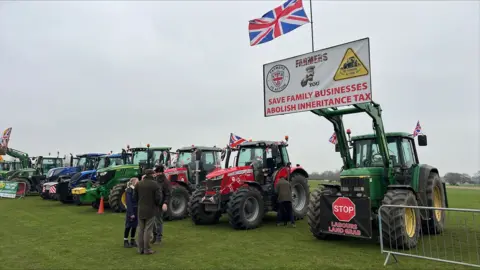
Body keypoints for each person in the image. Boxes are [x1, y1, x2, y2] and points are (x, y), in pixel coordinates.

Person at [133, 169, 161, 255]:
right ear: (152, 175)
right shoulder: (155, 184)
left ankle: (140, 249)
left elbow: (134, 197)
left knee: (141, 230)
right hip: (151, 209)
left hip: (141, 209)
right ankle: (147, 249)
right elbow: (158, 198)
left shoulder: (139, 184)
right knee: (148, 230)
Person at [151, 164, 171, 244]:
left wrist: (165, 203)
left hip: (160, 204)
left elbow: (168, 194)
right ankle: (154, 236)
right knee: (152, 221)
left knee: (158, 221)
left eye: (157, 172)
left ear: (160, 173)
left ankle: (158, 238)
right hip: (153, 203)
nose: (156, 174)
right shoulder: (155, 180)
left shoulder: (165, 182)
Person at [124, 177, 139, 248]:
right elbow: (129, 202)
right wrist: (131, 213)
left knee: (134, 226)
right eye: (137, 182)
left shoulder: (136, 190)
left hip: (136, 210)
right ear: (133, 182)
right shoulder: (129, 190)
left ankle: (132, 240)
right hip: (131, 210)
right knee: (128, 226)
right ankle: (125, 241)